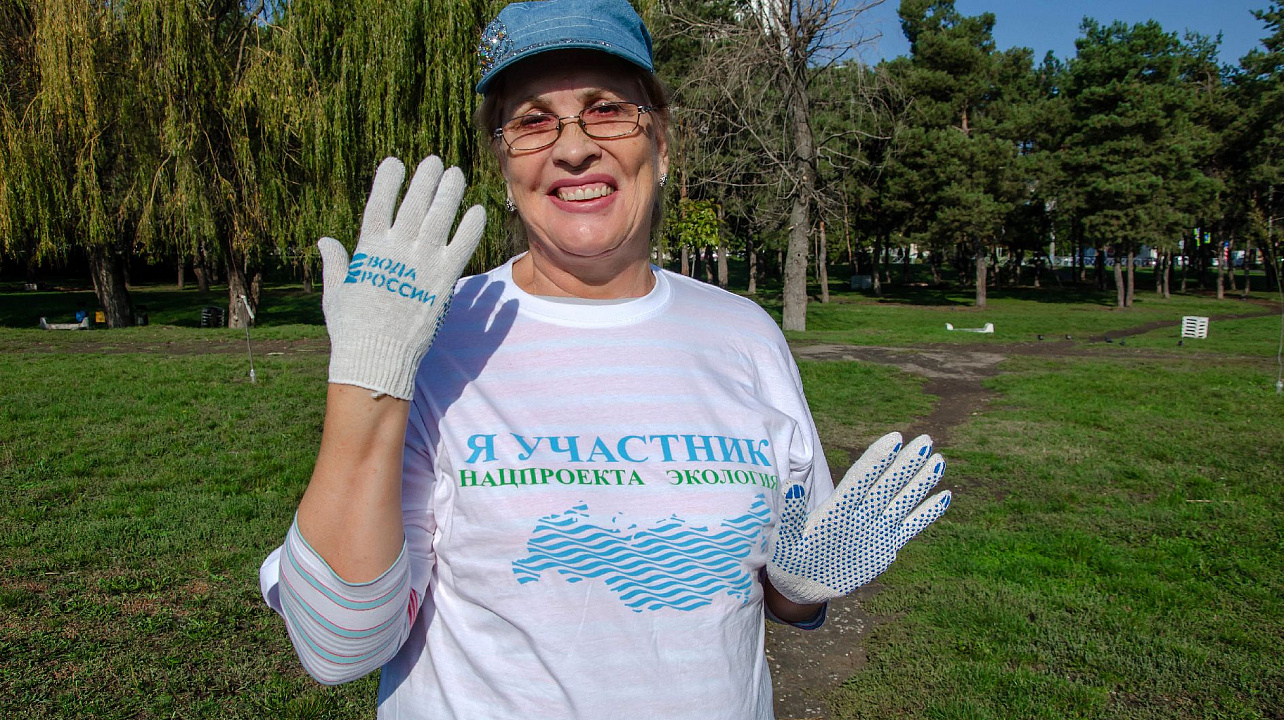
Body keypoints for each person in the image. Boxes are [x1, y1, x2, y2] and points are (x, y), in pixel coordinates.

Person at [258, 1, 951, 718]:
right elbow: (337, 647)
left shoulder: (744, 334)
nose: (573, 147)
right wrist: (368, 377)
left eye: (608, 110)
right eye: (531, 120)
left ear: (660, 141)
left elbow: (773, 585)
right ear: (503, 159)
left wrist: (803, 591)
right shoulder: (433, 333)